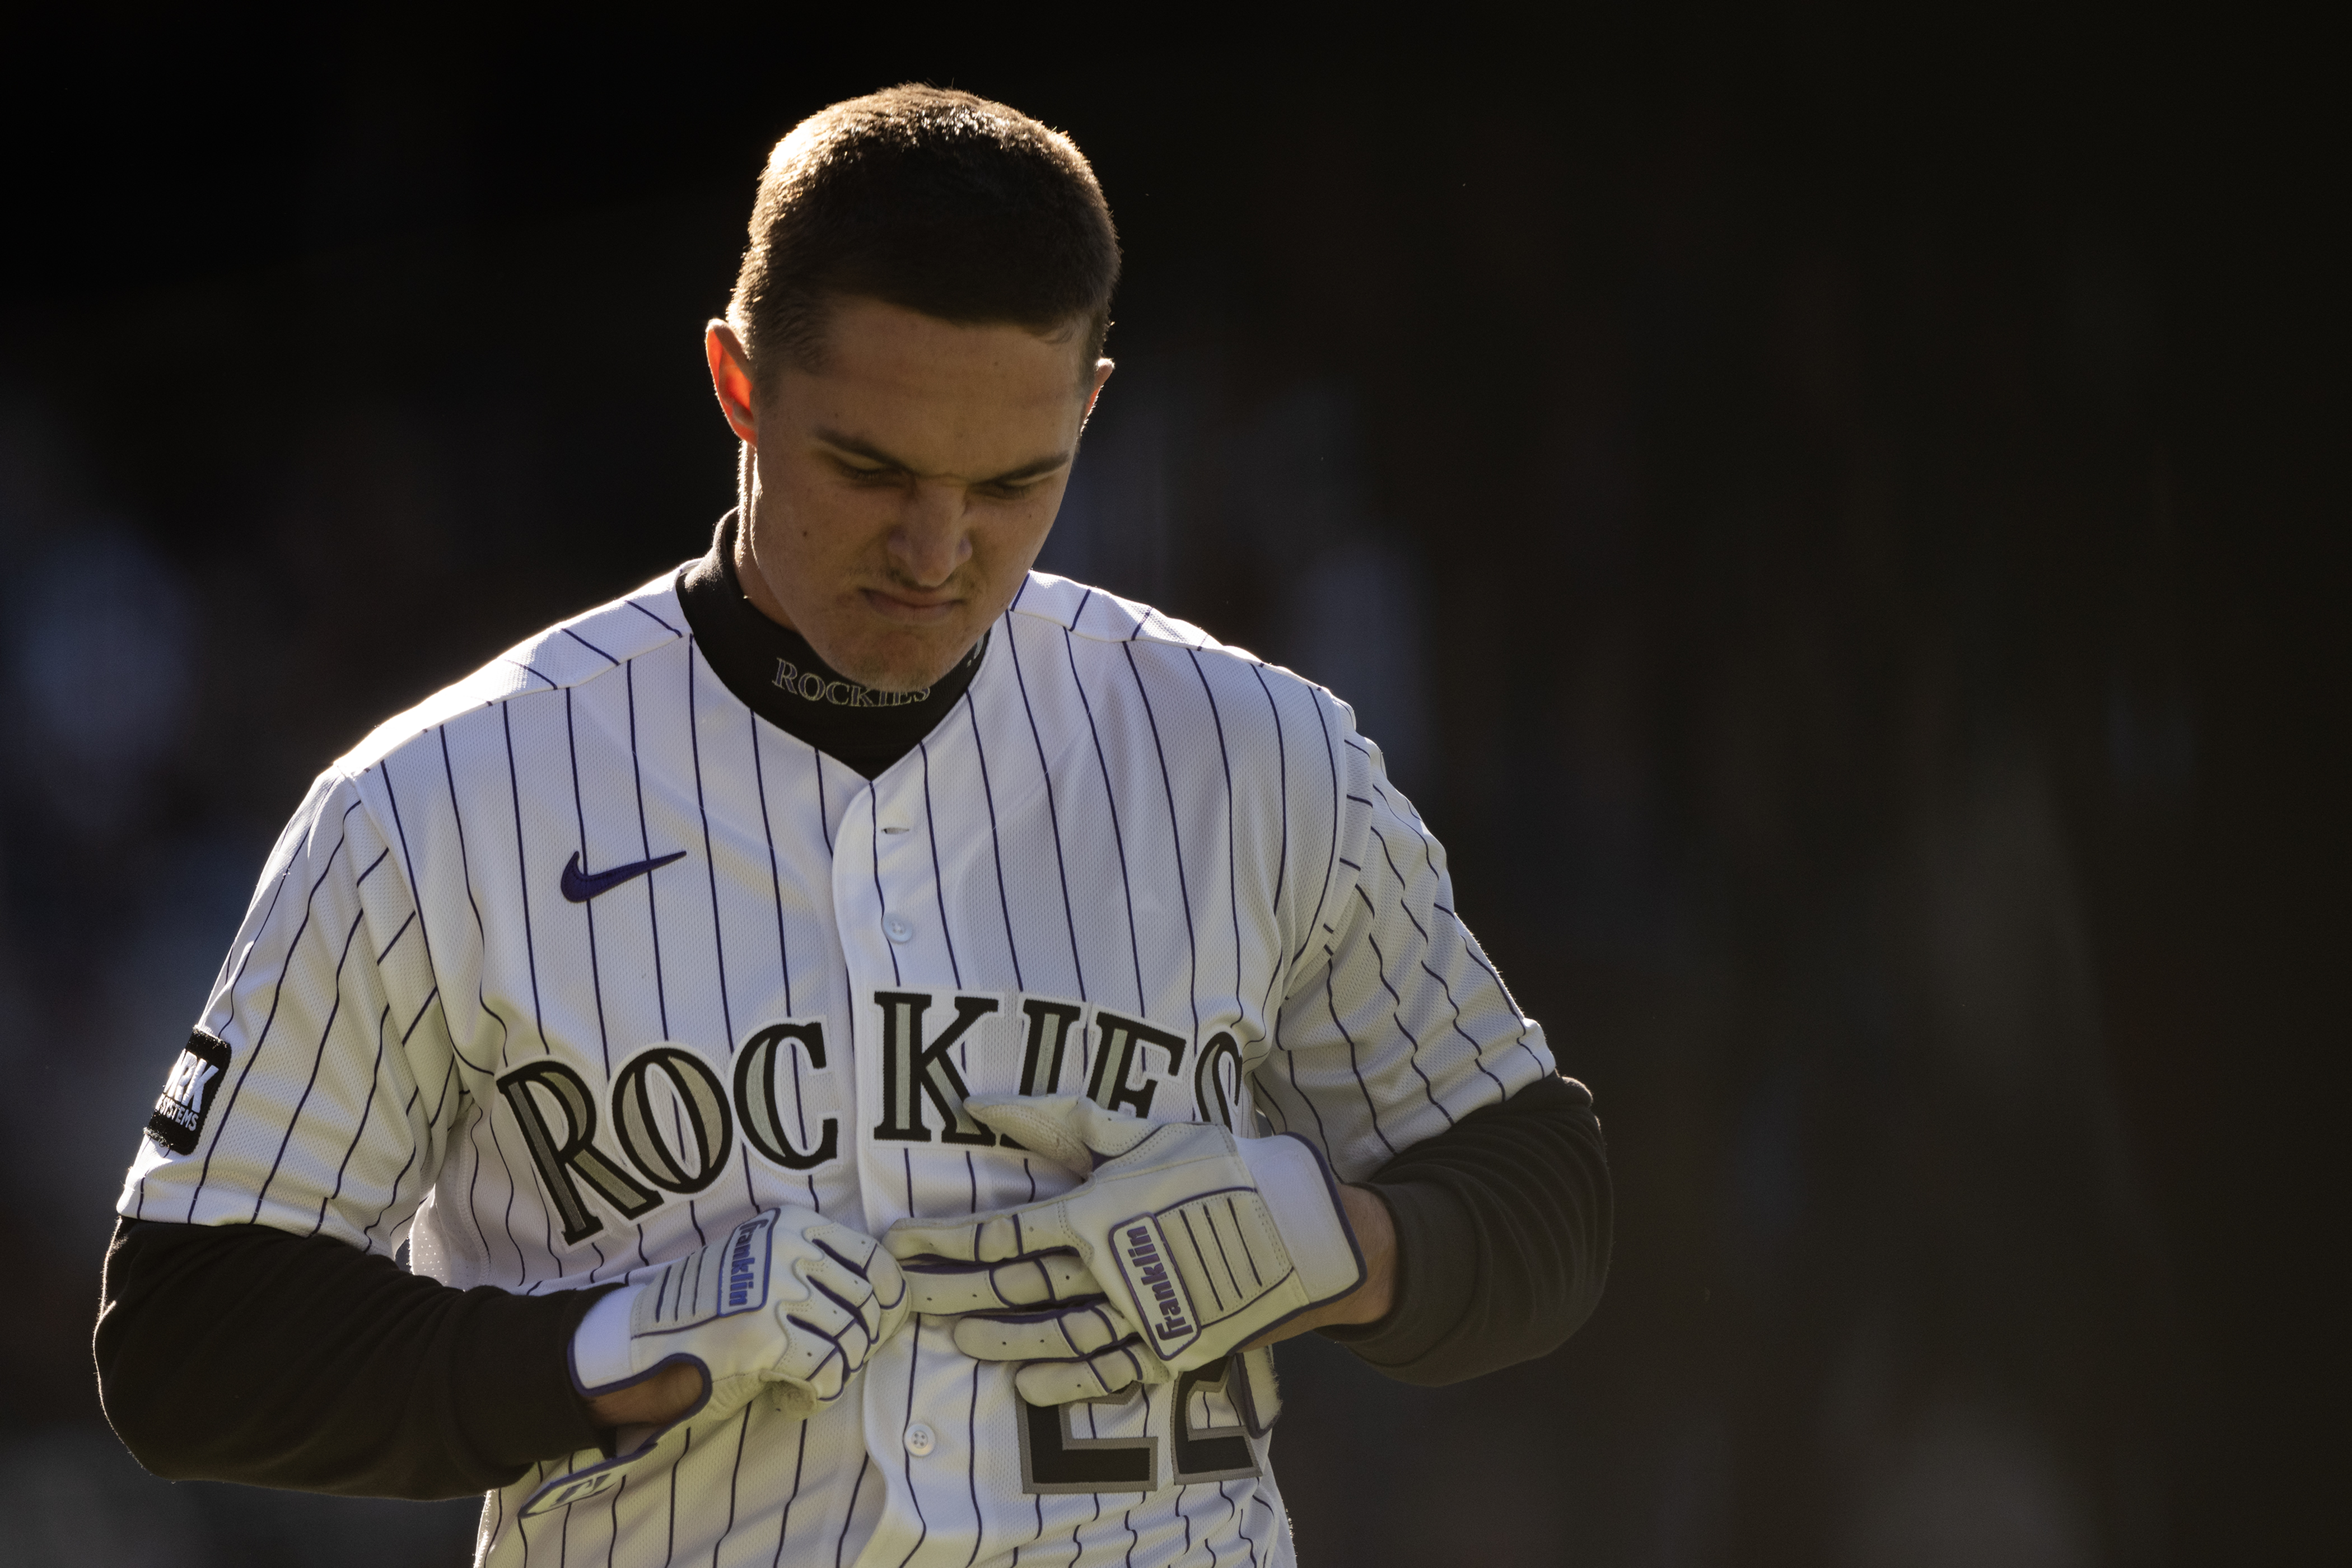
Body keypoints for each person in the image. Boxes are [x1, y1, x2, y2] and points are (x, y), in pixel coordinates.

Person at [95, 85, 1611, 1566]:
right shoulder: (444, 799)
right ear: (738, 385)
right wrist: (597, 1351)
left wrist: (1336, 1247)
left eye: (1015, 481)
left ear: (1089, 404)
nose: (938, 549)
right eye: (871, 470)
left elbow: (1545, 1195)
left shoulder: (1252, 751)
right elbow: (182, 1343)